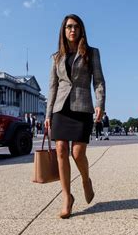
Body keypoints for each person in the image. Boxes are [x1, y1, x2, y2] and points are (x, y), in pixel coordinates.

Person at [45, 14, 106, 219]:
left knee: (78, 153)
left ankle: (86, 179)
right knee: (61, 149)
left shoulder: (91, 53)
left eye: (76, 27)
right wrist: (48, 114)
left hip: (82, 107)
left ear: (81, 31)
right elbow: (52, 87)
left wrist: (100, 104)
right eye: (69, 27)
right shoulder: (57, 57)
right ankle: (66, 197)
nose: (72, 30)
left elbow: (98, 81)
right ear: (63, 30)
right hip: (60, 109)